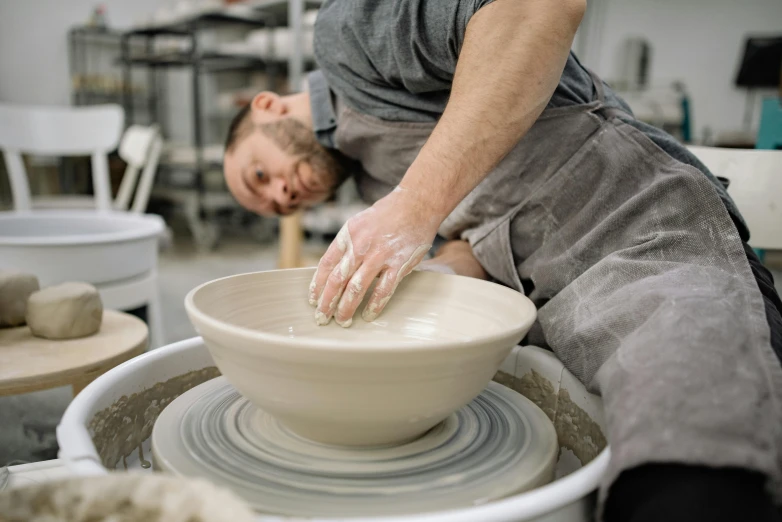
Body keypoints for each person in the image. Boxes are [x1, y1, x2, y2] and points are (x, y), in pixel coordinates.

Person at [222, 0, 782, 520]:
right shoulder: (374, 175)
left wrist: (415, 204)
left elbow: (538, 7)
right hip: (548, 304)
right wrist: (435, 284)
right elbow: (480, 240)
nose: (280, 197)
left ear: (266, 106)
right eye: (275, 206)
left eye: (259, 174)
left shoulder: (349, 39)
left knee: (684, 463)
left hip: (645, 245)